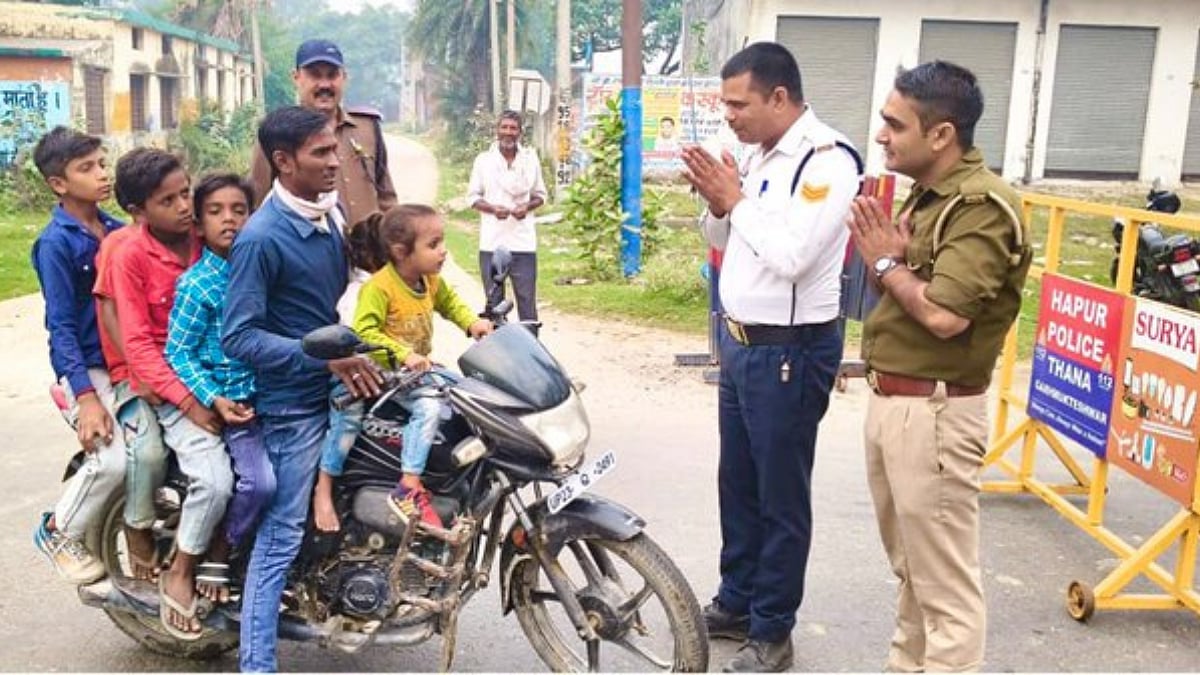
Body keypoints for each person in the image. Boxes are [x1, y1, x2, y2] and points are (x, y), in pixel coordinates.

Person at [681, 42, 860, 672]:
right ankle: (738, 599)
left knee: (780, 493)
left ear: (778, 97)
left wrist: (737, 199)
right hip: (741, 344)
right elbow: (726, 239)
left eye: (739, 103)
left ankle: (773, 628)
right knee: (739, 483)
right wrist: (717, 202)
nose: (729, 114)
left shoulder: (827, 161)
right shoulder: (758, 156)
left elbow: (792, 257)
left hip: (790, 351)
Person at [846, 61, 1031, 673]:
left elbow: (947, 317)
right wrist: (896, 262)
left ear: (942, 134)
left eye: (894, 125)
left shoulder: (980, 205)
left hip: (936, 412)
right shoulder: (933, 196)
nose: (881, 136)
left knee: (944, 590)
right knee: (914, 575)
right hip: (898, 404)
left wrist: (883, 265)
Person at [223, 105, 383, 672]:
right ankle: (256, 664)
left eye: (335, 150)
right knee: (282, 531)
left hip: (337, 382)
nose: (336, 161)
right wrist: (320, 357)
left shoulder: (329, 213)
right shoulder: (261, 238)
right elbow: (238, 337)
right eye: (322, 153)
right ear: (284, 161)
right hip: (292, 404)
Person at [108, 148, 233, 640]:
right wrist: (188, 401)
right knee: (215, 481)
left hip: (227, 379)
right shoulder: (130, 255)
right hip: (174, 386)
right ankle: (180, 571)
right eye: (169, 200)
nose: (185, 206)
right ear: (140, 211)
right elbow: (137, 341)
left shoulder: (208, 239)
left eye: (186, 193)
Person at [321, 204, 492, 531]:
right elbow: (365, 331)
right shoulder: (379, 287)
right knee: (420, 409)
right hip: (380, 373)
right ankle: (406, 486)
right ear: (401, 252)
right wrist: (402, 353)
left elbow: (449, 304)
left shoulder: (429, 280)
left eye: (442, 242)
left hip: (411, 372)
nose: (443, 252)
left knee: (464, 392)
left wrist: (472, 324)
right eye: (433, 245)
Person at [165, 173, 274, 605]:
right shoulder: (198, 285)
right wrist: (212, 396)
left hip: (270, 399)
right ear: (198, 226)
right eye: (215, 212)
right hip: (233, 406)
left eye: (239, 210)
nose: (229, 220)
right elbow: (179, 352)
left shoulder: (264, 272)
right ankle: (218, 549)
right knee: (259, 484)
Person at [29, 126, 126, 585]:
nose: (102, 175)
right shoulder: (56, 243)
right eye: (86, 168)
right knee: (114, 461)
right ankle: (57, 529)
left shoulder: (115, 230)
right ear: (59, 184)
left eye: (102, 164)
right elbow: (61, 327)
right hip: (87, 370)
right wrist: (86, 397)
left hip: (123, 363)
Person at [249, 38, 396, 228]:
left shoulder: (366, 126)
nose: (324, 84)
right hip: (312, 252)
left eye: (332, 75)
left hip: (369, 252)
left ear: (344, 77)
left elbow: (386, 195)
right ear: (296, 77)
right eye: (315, 75)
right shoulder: (278, 133)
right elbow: (258, 202)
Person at [312, 212, 387, 533]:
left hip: (388, 377)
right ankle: (324, 486)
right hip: (353, 374)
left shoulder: (407, 287)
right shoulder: (359, 292)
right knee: (349, 414)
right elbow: (355, 337)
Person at [467, 110, 548, 323]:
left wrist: (527, 207)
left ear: (520, 133)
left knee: (527, 302)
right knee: (494, 304)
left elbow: (541, 195)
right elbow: (473, 197)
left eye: (513, 128)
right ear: (497, 131)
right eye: (504, 128)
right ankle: (500, 353)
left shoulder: (530, 160)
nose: (508, 133)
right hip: (492, 243)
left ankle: (530, 351)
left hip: (523, 243)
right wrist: (493, 209)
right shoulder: (483, 161)